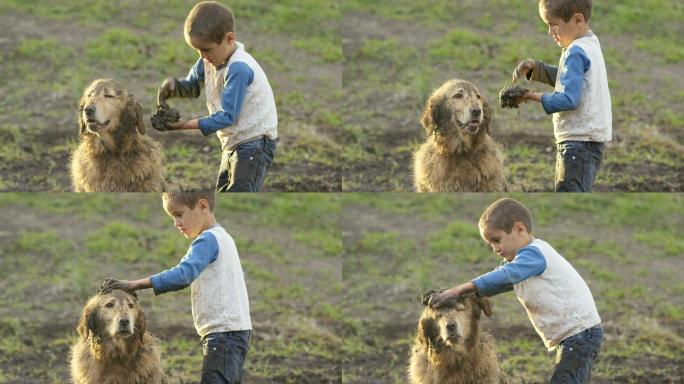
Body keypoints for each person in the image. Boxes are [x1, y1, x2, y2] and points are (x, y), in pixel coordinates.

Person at [429, 197, 603, 384]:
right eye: (490, 244)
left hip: (580, 334)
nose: (495, 249)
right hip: (575, 335)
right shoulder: (522, 263)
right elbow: (499, 281)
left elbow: (506, 275)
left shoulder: (535, 254)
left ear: (519, 229)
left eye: (497, 240)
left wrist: (460, 288)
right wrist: (462, 294)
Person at [101, 190, 251, 383]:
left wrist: (135, 284)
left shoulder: (207, 240)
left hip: (223, 334)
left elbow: (183, 274)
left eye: (179, 214)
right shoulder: (225, 238)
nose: (176, 223)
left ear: (203, 206)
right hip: (236, 333)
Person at [157, 1, 277, 192]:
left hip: (255, 143)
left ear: (229, 39)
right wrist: (173, 85)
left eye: (206, 49)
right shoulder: (209, 59)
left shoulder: (238, 68)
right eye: (197, 50)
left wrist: (182, 125)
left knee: (240, 191)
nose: (203, 56)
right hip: (233, 142)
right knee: (222, 191)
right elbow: (193, 86)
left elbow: (228, 116)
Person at [513, 0, 611, 192]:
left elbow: (569, 99)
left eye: (553, 24)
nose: (551, 32)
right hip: (591, 141)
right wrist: (538, 69)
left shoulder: (575, 51)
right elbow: (571, 79)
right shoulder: (590, 42)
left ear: (577, 20)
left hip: (577, 144)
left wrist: (532, 96)